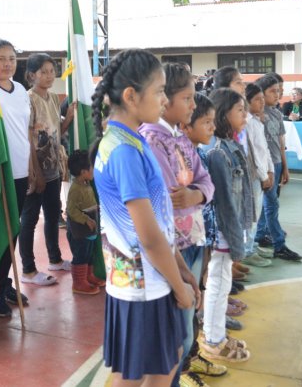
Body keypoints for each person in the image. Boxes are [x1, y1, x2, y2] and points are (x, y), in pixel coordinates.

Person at [91, 49, 198, 386]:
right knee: (147, 371)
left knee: (160, 364)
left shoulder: (131, 142)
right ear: (131, 96)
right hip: (142, 284)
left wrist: (180, 268)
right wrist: (179, 286)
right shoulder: (123, 151)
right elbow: (148, 236)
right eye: (159, 91)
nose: (165, 100)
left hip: (145, 278)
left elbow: (159, 223)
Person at [138, 63, 214, 386]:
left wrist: (196, 196)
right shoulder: (151, 141)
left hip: (192, 238)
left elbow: (206, 182)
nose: (194, 106)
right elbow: (165, 202)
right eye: (188, 98)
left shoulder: (180, 138)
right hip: (172, 249)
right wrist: (192, 194)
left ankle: (179, 374)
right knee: (175, 329)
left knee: (187, 316)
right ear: (164, 100)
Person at [200, 88, 252, 364]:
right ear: (223, 115)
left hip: (226, 229)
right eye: (240, 110)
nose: (245, 115)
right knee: (219, 285)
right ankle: (213, 339)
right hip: (222, 229)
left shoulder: (227, 145)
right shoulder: (219, 151)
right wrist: (235, 238)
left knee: (222, 283)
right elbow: (224, 203)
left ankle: (215, 334)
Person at [181, 92, 230, 385]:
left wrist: (200, 192)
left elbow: (207, 189)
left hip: (201, 236)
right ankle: (183, 366)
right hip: (185, 241)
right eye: (206, 122)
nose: (212, 127)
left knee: (195, 301)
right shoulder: (177, 153)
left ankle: (192, 353)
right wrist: (200, 192)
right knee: (185, 307)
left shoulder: (198, 154)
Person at [20, 53, 73, 286]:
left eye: (52, 71)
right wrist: (36, 173)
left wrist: (69, 118)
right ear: (32, 75)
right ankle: (28, 270)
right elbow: (28, 137)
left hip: (53, 167)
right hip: (35, 170)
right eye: (44, 71)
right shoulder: (28, 99)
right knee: (29, 219)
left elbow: (57, 132)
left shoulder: (53, 98)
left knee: (53, 214)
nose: (49, 75)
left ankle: (55, 259)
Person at [0, 39, 30, 317]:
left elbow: (25, 130)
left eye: (12, 58)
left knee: (13, 231)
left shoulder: (21, 90)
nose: (7, 64)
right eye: (1, 58)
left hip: (22, 172)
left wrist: (33, 168)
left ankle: (4, 283)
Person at [254, 75, 302, 262]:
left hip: (277, 163)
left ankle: (260, 234)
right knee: (271, 204)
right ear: (261, 94)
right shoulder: (258, 116)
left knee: (270, 203)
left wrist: (285, 166)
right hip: (265, 166)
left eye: (279, 90)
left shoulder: (276, 113)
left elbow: (281, 142)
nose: (278, 94)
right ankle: (278, 244)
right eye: (273, 91)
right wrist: (267, 169)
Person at [241, 84, 274, 268]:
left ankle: (252, 244)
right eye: (257, 99)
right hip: (254, 175)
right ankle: (246, 250)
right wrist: (263, 176)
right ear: (247, 101)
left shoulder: (257, 121)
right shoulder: (246, 123)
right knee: (250, 215)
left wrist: (271, 170)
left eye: (263, 98)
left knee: (257, 212)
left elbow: (264, 148)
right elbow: (252, 154)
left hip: (262, 174)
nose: (262, 102)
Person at [65, 150, 104, 295]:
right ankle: (78, 283)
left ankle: (88, 276)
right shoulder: (75, 189)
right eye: (92, 167)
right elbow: (71, 210)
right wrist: (85, 219)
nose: (94, 169)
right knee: (80, 254)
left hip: (90, 228)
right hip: (80, 230)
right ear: (83, 172)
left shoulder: (86, 183)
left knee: (89, 253)